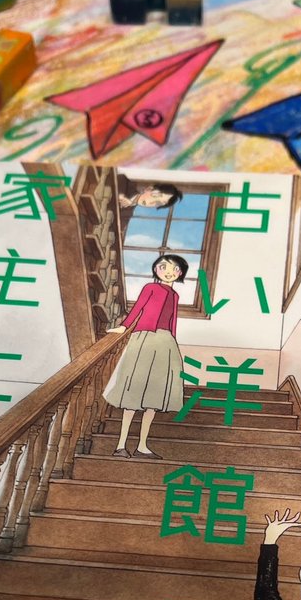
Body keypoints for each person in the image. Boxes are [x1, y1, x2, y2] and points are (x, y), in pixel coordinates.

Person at [104, 253, 189, 459]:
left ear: (180, 273)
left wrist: (173, 341)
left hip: (165, 343)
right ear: (156, 269)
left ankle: (142, 445)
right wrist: (124, 327)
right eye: (163, 267)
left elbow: (172, 322)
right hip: (143, 338)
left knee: (154, 398)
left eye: (174, 269)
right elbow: (138, 309)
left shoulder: (175, 296)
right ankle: (121, 445)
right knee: (133, 393)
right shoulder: (150, 288)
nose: (169, 271)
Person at [117, 177, 183, 225]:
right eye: (156, 196)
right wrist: (120, 196)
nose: (153, 202)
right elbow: (119, 179)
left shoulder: (127, 214)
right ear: (149, 188)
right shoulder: (126, 182)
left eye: (159, 203)